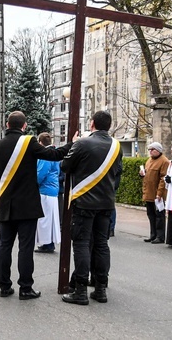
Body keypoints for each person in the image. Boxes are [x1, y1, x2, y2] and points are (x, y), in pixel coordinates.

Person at [0, 110, 73, 300]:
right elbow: (53, 154)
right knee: (25, 248)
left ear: (7, 125)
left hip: (6, 204)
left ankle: (4, 286)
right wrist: (72, 143)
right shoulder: (29, 143)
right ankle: (25, 288)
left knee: (4, 246)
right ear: (24, 126)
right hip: (27, 205)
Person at [60, 110, 122, 306]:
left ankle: (80, 290)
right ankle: (101, 288)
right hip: (106, 203)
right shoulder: (116, 146)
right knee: (102, 244)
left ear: (92, 123)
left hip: (84, 202)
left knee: (81, 244)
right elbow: (118, 173)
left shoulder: (83, 143)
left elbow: (64, 166)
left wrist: (74, 142)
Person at [35, 132, 61, 253]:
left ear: (40, 142)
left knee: (44, 219)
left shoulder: (45, 155)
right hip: (52, 189)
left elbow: (41, 174)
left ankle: (46, 243)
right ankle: (49, 242)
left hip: (45, 190)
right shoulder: (54, 154)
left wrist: (34, 184)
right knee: (50, 218)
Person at [141, 142, 168, 244]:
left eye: (153, 150)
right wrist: (142, 174)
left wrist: (159, 193)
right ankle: (153, 234)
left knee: (159, 216)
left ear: (159, 151)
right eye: (150, 150)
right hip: (149, 192)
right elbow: (147, 175)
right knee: (151, 214)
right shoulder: (149, 160)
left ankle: (160, 236)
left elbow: (163, 178)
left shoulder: (164, 161)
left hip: (157, 194)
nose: (151, 152)